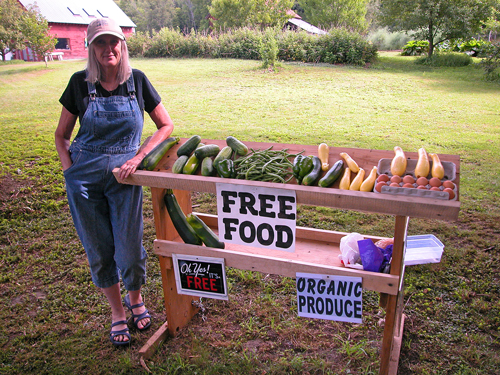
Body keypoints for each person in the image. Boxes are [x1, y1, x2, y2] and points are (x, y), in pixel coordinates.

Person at [54, 18, 174, 347]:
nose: (108, 49)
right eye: (100, 43)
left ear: (122, 45)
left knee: (130, 248)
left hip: (125, 175)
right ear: (91, 48)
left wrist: (139, 158)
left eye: (113, 42)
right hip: (84, 178)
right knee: (99, 249)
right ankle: (118, 312)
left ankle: (136, 299)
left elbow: (165, 126)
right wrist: (71, 172)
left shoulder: (137, 81)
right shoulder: (79, 83)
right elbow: (61, 136)